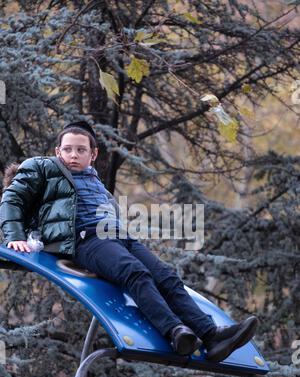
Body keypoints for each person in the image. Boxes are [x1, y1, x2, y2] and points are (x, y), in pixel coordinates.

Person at [0, 121, 258, 361]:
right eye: (67, 149)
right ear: (58, 151)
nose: (73, 155)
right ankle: (175, 331)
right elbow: (12, 199)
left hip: (119, 237)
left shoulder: (96, 182)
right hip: (86, 240)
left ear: (93, 154)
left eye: (81, 150)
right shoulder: (43, 168)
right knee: (134, 273)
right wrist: (16, 236)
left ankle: (211, 336)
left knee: (166, 277)